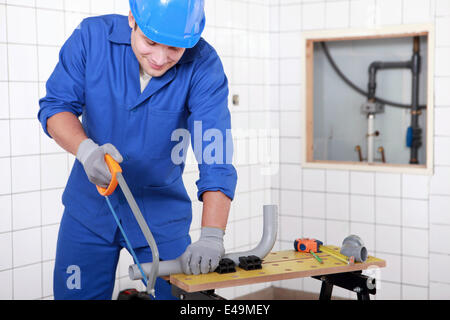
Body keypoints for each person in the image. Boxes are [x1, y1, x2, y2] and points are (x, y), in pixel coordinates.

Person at [38, 0, 237, 300]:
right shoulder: (91, 38)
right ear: (132, 18)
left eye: (174, 48)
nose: (159, 58)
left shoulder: (204, 65)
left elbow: (215, 156)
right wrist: (85, 150)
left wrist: (212, 235)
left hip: (161, 214)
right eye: (151, 41)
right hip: (89, 208)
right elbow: (56, 108)